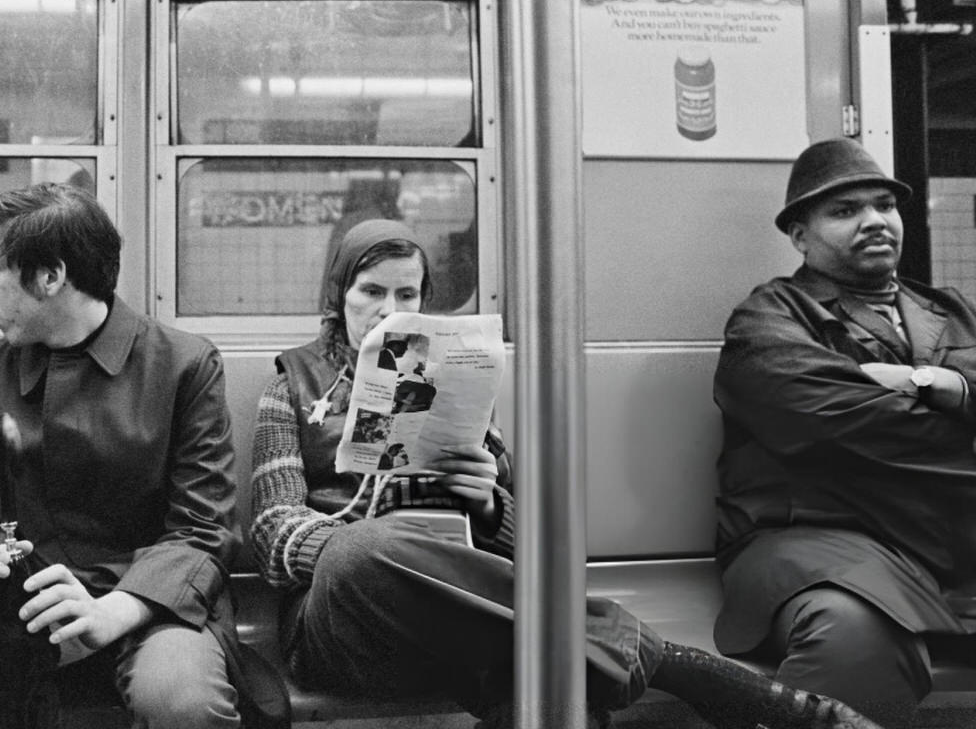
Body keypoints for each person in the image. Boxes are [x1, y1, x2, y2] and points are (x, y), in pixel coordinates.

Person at [251, 217, 886, 729]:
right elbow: (273, 535)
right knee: (367, 553)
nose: (389, 309)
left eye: (407, 294)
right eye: (371, 291)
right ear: (339, 296)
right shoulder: (289, 388)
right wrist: (377, 542)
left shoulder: (447, 375)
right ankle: (684, 670)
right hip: (344, 627)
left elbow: (531, 545)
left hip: (468, 625)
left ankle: (620, 659)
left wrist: (488, 507)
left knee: (560, 687)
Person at [0, 182, 241, 729]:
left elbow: (203, 529)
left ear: (51, 277)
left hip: (149, 598)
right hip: (13, 599)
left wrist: (114, 610)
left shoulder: (183, 366)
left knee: (181, 702)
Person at [714, 136, 976, 727]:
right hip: (816, 537)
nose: (874, 221)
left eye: (884, 205)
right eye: (844, 210)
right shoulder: (769, 320)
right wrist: (962, 414)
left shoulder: (952, 310)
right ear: (800, 236)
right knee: (855, 633)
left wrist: (934, 383)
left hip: (946, 543)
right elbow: (834, 426)